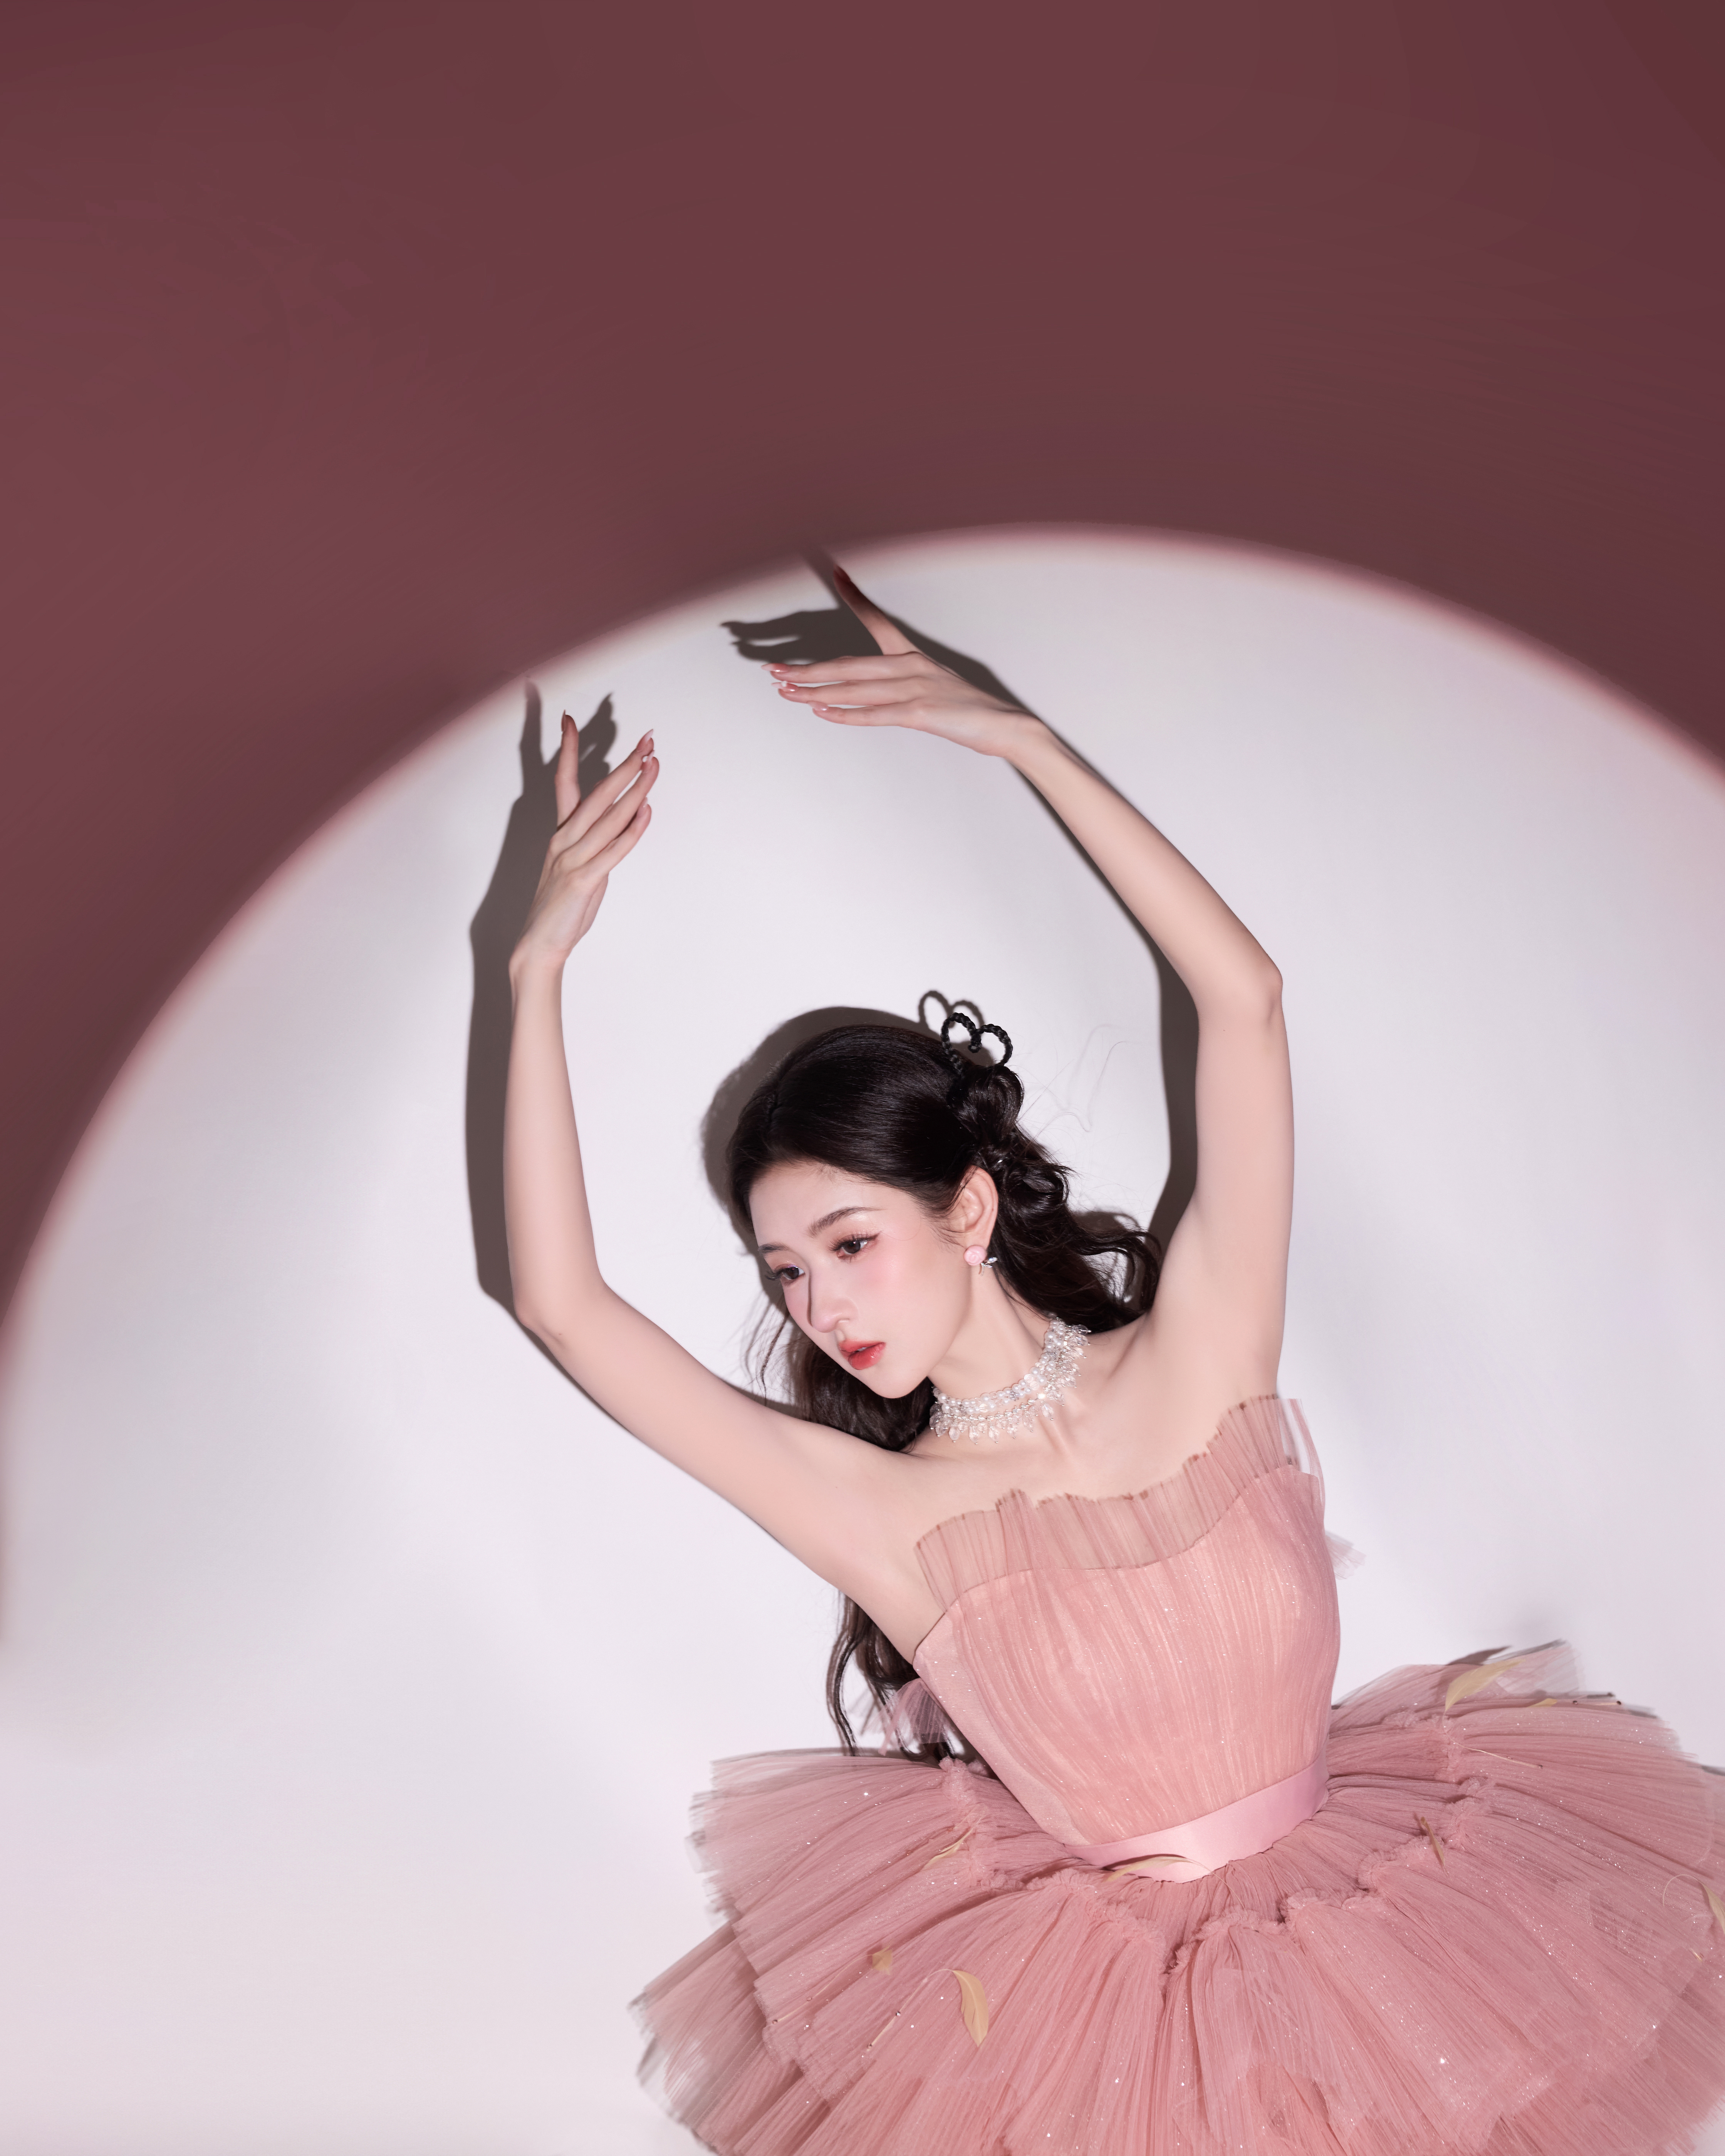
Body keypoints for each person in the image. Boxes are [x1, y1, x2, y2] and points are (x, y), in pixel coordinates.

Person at [502, 569, 1725, 2155]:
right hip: (1116, 2064)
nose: (816, 1303)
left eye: (849, 1243)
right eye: (783, 1269)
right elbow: (564, 1306)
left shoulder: (1202, 1356)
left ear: (966, 1208)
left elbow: (1245, 1001)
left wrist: (1020, 738)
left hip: (1393, 1960)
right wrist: (532, 972)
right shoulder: (882, 1513)